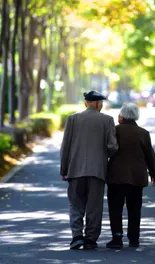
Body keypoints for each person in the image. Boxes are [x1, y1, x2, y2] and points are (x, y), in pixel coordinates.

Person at [60, 90, 118, 250]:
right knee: (94, 206)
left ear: (86, 103)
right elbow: (112, 147)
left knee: (75, 204)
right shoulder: (107, 120)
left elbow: (65, 147)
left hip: (75, 169)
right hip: (97, 171)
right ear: (99, 104)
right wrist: (104, 155)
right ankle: (91, 239)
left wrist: (64, 169)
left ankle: (77, 236)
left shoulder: (72, 119)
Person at [106, 102, 155, 249]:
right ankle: (134, 238)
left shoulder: (114, 131)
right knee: (134, 208)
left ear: (122, 116)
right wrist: (153, 172)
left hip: (116, 176)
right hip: (137, 177)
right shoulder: (143, 133)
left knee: (115, 208)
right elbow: (150, 155)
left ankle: (117, 238)